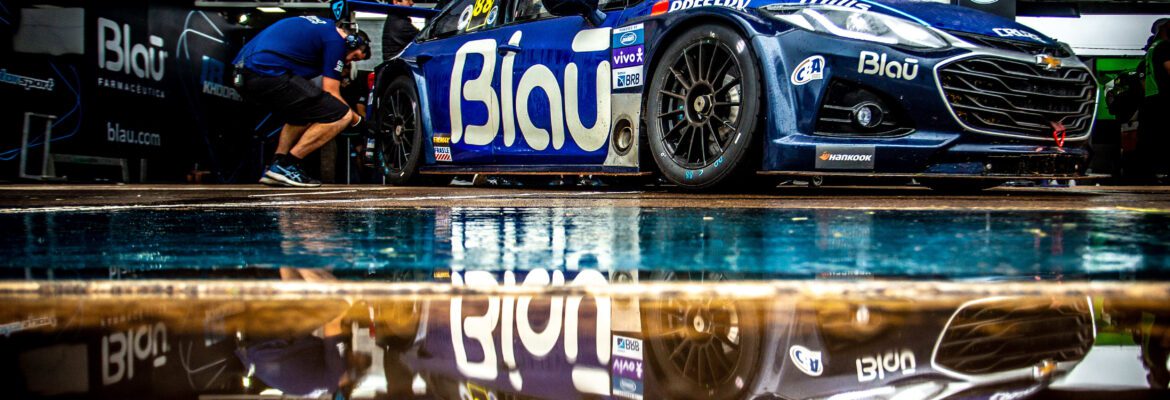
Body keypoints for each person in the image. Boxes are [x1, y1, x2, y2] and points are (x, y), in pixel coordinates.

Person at [233, 15, 371, 187]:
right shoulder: (337, 41)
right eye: (355, 57)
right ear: (352, 41)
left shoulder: (322, 27)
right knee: (341, 115)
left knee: (302, 113)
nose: (350, 61)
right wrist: (360, 122)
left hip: (244, 72)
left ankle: (277, 164)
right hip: (266, 71)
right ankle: (286, 165)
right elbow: (331, 91)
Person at [1138, 18, 1170, 183]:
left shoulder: (1151, 50)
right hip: (1164, 99)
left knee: (1154, 139)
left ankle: (1153, 173)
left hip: (1151, 99)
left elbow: (1143, 80)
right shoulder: (1164, 47)